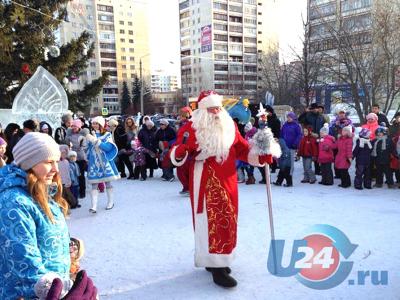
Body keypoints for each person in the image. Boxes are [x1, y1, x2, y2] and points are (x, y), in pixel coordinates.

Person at [169, 91, 278, 288]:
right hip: (204, 179)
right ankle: (216, 266)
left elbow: (243, 149)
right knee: (212, 222)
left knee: (228, 219)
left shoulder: (230, 126)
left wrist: (261, 156)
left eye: (218, 108)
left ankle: (219, 260)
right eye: (211, 109)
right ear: (202, 111)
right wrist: (181, 150)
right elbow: (176, 154)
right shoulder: (191, 128)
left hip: (228, 181)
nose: (216, 112)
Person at [0, 132, 97, 299]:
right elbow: (24, 265)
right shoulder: (14, 203)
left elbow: (42, 233)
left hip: (55, 285)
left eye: (57, 161)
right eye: (48, 162)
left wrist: (67, 247)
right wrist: (63, 294)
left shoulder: (40, 190)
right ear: (29, 162)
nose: (56, 169)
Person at [84, 116, 120, 213]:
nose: (94, 125)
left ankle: (110, 202)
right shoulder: (90, 134)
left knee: (107, 182)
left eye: (96, 123)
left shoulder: (107, 134)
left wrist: (96, 141)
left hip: (104, 162)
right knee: (94, 184)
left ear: (101, 124)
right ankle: (94, 206)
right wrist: (83, 143)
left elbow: (108, 148)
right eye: (93, 123)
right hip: (94, 164)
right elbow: (87, 150)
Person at [65, 119, 87, 199]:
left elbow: (85, 146)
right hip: (72, 157)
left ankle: (82, 192)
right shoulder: (70, 134)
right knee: (74, 175)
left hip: (81, 157)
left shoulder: (83, 134)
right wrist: (67, 137)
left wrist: (81, 150)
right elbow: (66, 143)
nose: (73, 127)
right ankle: (75, 192)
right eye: (72, 126)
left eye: (75, 126)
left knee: (81, 175)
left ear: (78, 126)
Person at [176, 107, 193, 195]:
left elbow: (186, 138)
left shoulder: (188, 125)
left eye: (183, 115)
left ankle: (188, 188)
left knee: (184, 171)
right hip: (181, 149)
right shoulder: (181, 124)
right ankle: (186, 187)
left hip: (186, 151)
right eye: (181, 115)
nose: (181, 117)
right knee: (181, 171)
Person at [280, 112, 302, 178]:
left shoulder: (296, 126)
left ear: (293, 118)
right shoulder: (285, 125)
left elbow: (299, 135)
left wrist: (295, 143)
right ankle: (284, 173)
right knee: (284, 160)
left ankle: (290, 173)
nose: (288, 118)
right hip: (285, 145)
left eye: (290, 117)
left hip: (292, 145)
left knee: (291, 160)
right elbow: (281, 134)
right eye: (288, 117)